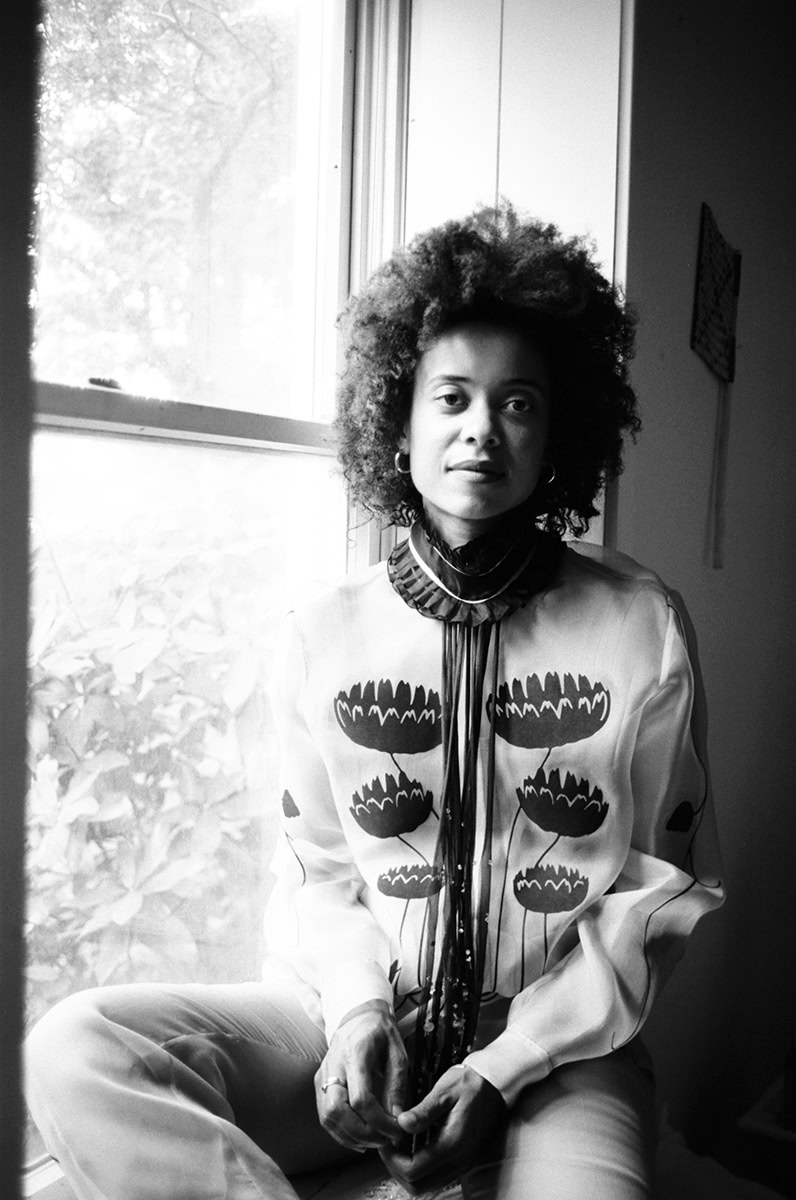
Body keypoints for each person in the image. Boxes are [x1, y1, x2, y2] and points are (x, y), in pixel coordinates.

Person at [26, 204, 724, 1200]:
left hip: (561, 1063)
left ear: (559, 429)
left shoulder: (639, 627)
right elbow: (314, 871)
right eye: (451, 398)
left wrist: (501, 1067)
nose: (481, 429)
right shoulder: (322, 632)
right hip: (352, 1030)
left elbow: (661, 890)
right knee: (75, 1046)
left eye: (518, 402)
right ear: (396, 422)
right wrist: (355, 1015)